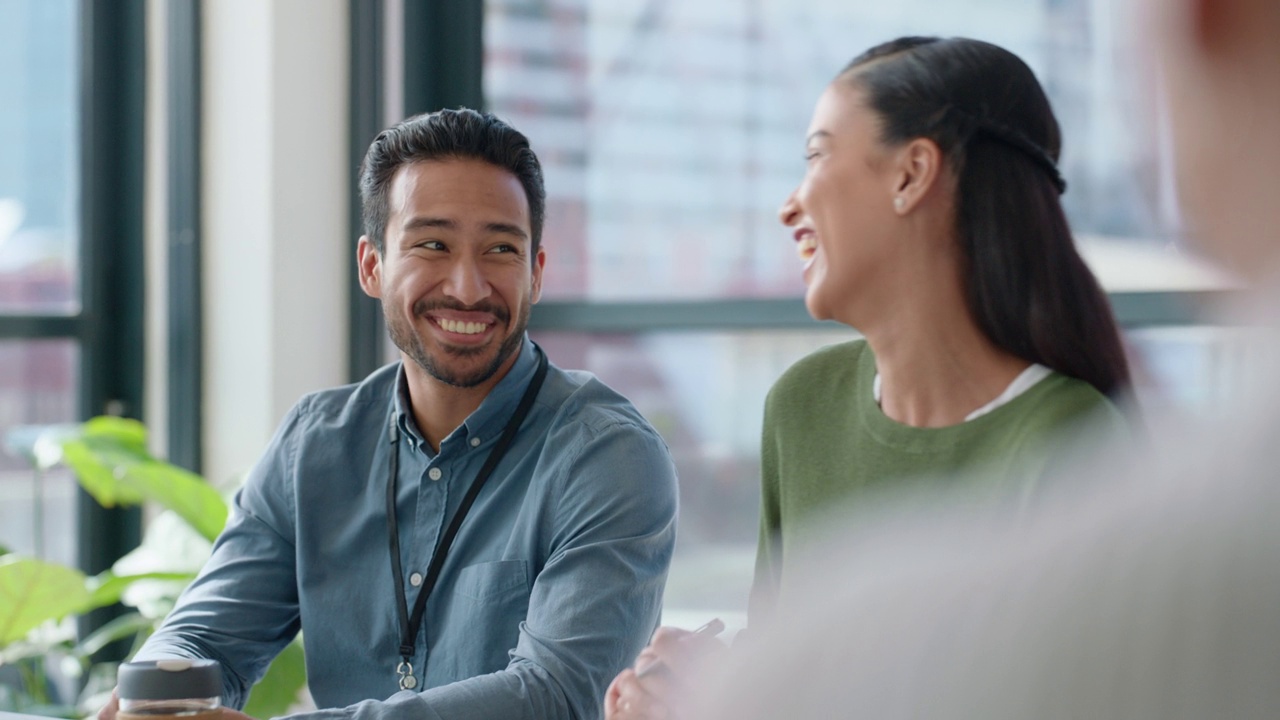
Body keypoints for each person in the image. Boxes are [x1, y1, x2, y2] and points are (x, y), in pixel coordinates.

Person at [629, 0, 1280, 716]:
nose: (790, 204)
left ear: (912, 174)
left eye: (817, 156)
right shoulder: (800, 404)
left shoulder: (1069, 436)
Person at [99, 109, 679, 720]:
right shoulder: (314, 445)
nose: (468, 286)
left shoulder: (607, 454)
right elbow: (205, 638)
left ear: (535, 273)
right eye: (433, 244)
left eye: (501, 249)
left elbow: (558, 696)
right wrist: (157, 697)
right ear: (372, 265)